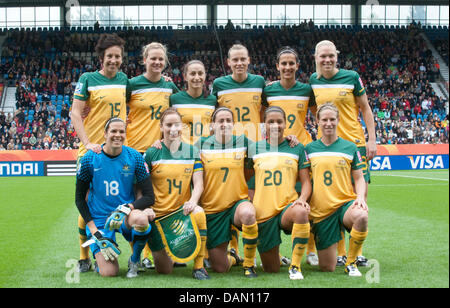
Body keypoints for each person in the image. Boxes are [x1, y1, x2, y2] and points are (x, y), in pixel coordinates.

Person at [309, 40, 375, 266]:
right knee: (330, 197)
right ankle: (339, 252)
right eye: (322, 56)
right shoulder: (313, 81)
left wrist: (372, 139)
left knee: (360, 198)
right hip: (327, 148)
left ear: (337, 56)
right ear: (315, 58)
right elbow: (313, 110)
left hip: (354, 144)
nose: (327, 60)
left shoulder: (351, 77)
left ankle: (357, 253)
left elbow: (365, 107)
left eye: (331, 56)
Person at [71, 33, 129, 273]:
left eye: (117, 56)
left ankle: (142, 254)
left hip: (117, 151)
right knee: (87, 204)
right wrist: (87, 142)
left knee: (119, 202)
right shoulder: (88, 79)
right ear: (101, 58)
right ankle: (84, 256)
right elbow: (76, 113)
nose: (113, 60)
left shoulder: (125, 79)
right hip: (92, 152)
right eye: (109, 56)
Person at [75, 117, 155, 278]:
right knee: (109, 273)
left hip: (124, 215)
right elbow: (79, 199)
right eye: (113, 131)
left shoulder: (135, 157)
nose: (117, 135)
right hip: (100, 219)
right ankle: (97, 259)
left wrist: (128, 207)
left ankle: (134, 260)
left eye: (121, 131)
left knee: (141, 219)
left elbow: (149, 196)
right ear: (105, 134)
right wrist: (94, 231)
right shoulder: (89, 159)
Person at [263, 47, 319, 266]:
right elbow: (262, 121)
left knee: (308, 198)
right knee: (271, 198)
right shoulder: (267, 92)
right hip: (276, 152)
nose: (287, 67)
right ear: (277, 66)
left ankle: (311, 251)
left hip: (301, 150)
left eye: (291, 63)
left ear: (297, 66)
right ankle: (273, 252)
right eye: (283, 63)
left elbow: (319, 117)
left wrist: (313, 144)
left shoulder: (306, 91)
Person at [211, 43, 266, 261]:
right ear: (228, 62)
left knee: (254, 199)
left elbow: (272, 111)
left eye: (243, 59)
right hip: (228, 150)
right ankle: (232, 247)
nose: (239, 63)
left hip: (254, 152)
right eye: (235, 60)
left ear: (249, 60)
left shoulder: (260, 82)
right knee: (229, 197)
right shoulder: (218, 84)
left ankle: (261, 250)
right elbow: (212, 113)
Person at [143, 108, 209, 280]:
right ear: (161, 127)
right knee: (164, 270)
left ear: (182, 127)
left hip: (182, 214)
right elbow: (142, 187)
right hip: (159, 217)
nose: (173, 129)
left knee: (199, 213)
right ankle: (147, 255)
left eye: (177, 124)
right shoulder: (151, 153)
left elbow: (199, 183)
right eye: (169, 125)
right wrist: (147, 207)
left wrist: (193, 201)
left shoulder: (192, 152)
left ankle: (199, 267)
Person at [247, 106, 312, 280]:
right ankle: (277, 257)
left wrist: (303, 199)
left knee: (301, 211)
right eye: (271, 122)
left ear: (285, 123)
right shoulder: (254, 148)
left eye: (279, 121)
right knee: (271, 269)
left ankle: (295, 266)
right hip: (263, 213)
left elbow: (306, 182)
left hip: (287, 208)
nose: (275, 125)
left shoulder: (296, 148)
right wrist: (251, 202)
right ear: (264, 125)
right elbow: (246, 180)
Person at [305, 102, 369, 277]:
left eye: (332, 119)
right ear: (317, 121)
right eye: (324, 119)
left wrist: (361, 197)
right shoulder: (310, 149)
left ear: (338, 120)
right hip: (322, 211)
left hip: (344, 205)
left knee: (361, 216)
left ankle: (351, 262)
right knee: (327, 267)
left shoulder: (350, 147)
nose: (328, 123)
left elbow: (359, 178)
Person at [195, 107, 258, 278]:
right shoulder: (200, 145)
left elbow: (266, 152)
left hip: (237, 203)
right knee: (220, 267)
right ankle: (233, 258)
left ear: (233, 124)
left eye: (228, 121)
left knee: (248, 214)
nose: (224, 124)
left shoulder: (243, 142)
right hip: (213, 210)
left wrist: (290, 139)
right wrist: (159, 142)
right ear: (212, 125)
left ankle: (249, 264)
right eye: (220, 121)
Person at [127, 42, 179, 154]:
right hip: (134, 147)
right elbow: (115, 103)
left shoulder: (169, 86)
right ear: (145, 60)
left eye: (161, 59)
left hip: (159, 149)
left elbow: (181, 113)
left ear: (165, 62)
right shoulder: (132, 84)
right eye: (153, 58)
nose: (157, 62)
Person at [170, 60, 216, 145]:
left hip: (205, 152)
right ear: (185, 77)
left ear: (205, 76)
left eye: (200, 73)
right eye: (193, 74)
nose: (197, 77)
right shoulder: (174, 99)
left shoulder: (212, 100)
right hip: (182, 152)